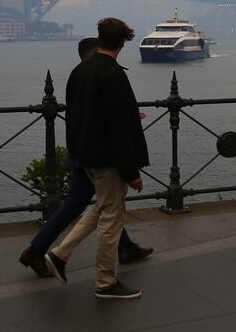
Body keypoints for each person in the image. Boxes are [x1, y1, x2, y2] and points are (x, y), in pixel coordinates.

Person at [19, 37, 153, 278]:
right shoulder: (103, 74)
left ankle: (124, 247)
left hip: (80, 152)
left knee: (87, 203)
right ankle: (45, 252)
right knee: (102, 204)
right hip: (97, 154)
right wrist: (131, 169)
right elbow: (107, 119)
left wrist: (130, 115)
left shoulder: (80, 75)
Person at [44, 18, 149, 300]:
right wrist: (132, 172)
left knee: (102, 207)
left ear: (100, 38)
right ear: (123, 42)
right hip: (108, 159)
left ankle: (59, 254)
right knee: (112, 219)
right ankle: (105, 281)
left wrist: (77, 152)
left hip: (85, 156)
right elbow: (118, 129)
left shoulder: (80, 71)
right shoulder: (113, 75)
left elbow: (77, 117)